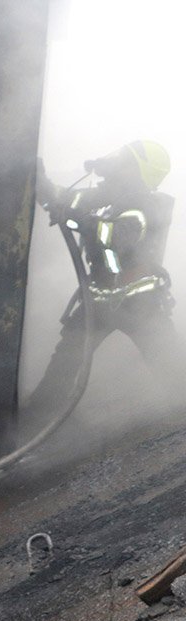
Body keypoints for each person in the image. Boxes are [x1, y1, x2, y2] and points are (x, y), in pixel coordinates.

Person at [26, 140, 183, 429]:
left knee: (168, 364)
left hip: (139, 303)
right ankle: (33, 423)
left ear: (137, 170)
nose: (115, 163)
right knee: (66, 361)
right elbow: (66, 200)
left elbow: (115, 237)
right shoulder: (112, 195)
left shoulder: (144, 206)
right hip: (99, 300)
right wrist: (42, 183)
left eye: (123, 160)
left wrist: (79, 219)